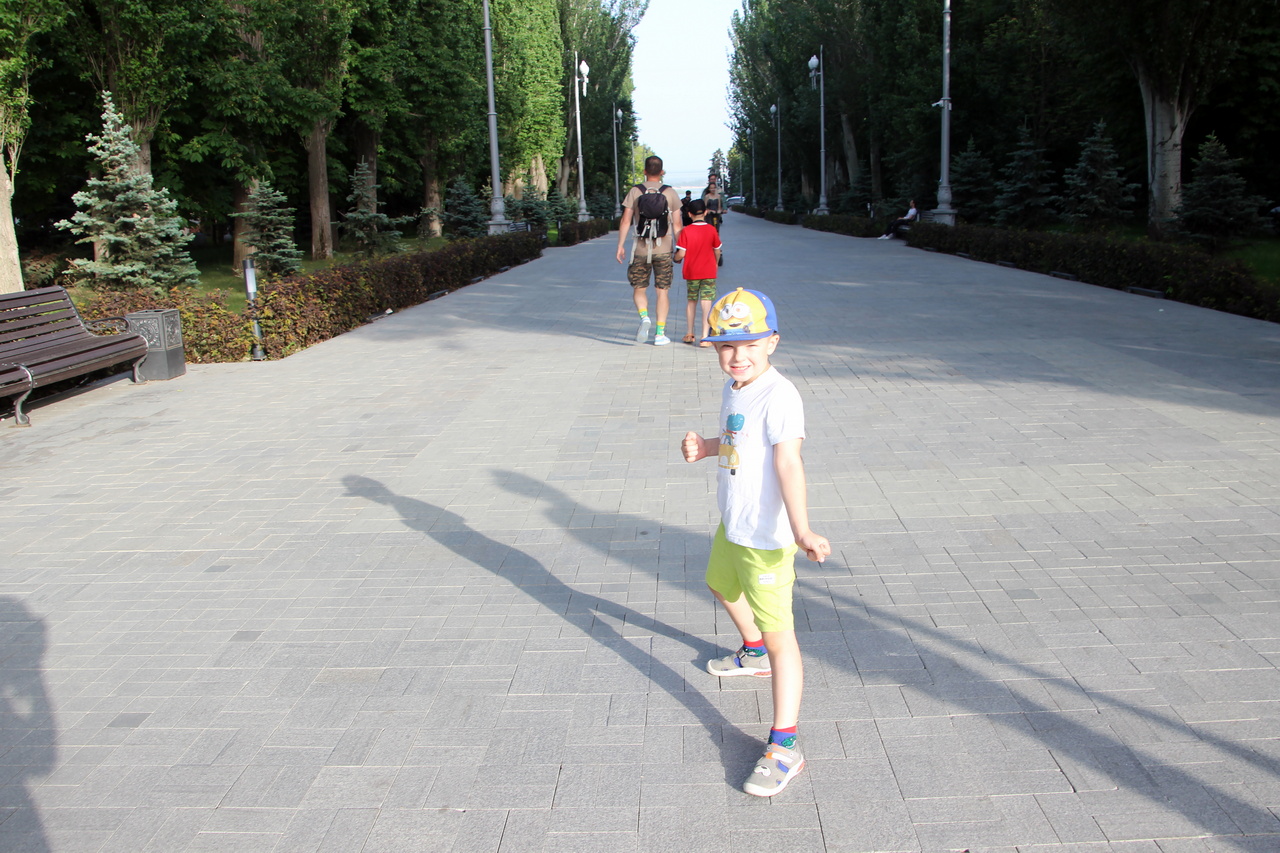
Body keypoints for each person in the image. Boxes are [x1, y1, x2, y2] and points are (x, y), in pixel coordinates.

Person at [680, 288, 831, 797]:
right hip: (735, 524)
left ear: (773, 342)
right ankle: (753, 653)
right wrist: (707, 447)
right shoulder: (736, 387)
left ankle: (785, 746)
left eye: (749, 344)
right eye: (726, 346)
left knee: (782, 637)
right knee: (719, 584)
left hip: (766, 538)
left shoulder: (780, 395)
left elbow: (788, 462)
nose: (737, 355)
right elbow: (739, 441)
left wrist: (803, 529)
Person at [616, 155, 683, 345]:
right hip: (664, 249)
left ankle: (644, 317)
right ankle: (660, 334)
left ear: (645, 171)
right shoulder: (670, 193)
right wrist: (681, 248)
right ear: (662, 172)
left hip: (640, 249)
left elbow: (625, 221)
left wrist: (620, 245)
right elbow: (677, 224)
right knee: (662, 291)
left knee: (639, 288)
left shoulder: (635, 191)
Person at [674, 199, 722, 346]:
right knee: (706, 302)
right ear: (706, 212)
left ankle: (689, 333)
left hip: (692, 271)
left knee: (691, 301)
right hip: (708, 271)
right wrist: (715, 263)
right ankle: (704, 337)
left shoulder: (686, 231)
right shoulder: (711, 230)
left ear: (689, 214)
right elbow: (717, 250)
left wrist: (675, 259)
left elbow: (681, 253)